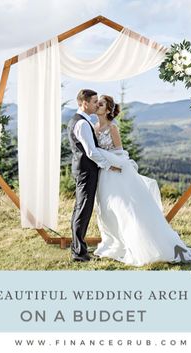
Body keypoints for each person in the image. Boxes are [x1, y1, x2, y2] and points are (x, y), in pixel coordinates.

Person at [93, 95, 191, 267]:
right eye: (97, 103)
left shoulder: (112, 128)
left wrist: (107, 160)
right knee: (106, 209)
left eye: (101, 104)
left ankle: (142, 244)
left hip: (117, 172)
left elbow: (119, 152)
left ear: (108, 110)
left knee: (126, 209)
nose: (97, 105)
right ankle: (114, 242)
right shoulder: (95, 127)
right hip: (104, 174)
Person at [67, 89, 122, 262]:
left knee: (80, 209)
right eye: (93, 101)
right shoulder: (83, 124)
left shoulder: (80, 121)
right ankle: (79, 253)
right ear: (84, 103)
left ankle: (78, 248)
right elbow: (90, 152)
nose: (96, 104)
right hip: (86, 171)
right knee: (83, 210)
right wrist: (108, 165)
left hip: (83, 170)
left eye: (98, 102)